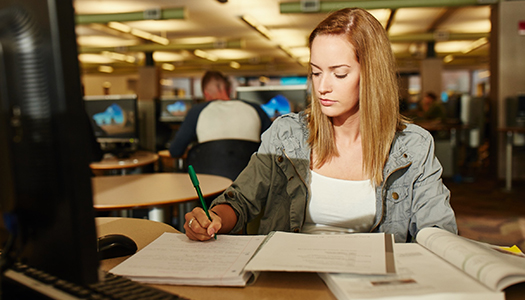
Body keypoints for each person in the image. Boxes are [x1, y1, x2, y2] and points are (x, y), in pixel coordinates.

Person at [184, 8, 457, 243]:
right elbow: (240, 201)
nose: (322, 87)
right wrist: (213, 217)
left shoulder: (413, 146)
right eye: (315, 72)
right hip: (292, 280)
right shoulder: (286, 135)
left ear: (372, 75)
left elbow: (437, 229)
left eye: (339, 74)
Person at [168, 71, 272, 157]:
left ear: (206, 94)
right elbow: (275, 146)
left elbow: (175, 151)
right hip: (251, 179)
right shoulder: (255, 109)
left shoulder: (197, 112)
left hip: (209, 179)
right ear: (229, 89)